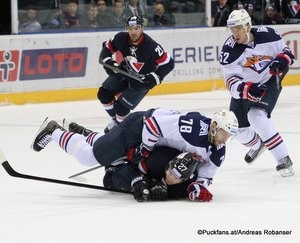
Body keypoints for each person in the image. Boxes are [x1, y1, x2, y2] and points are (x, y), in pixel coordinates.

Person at [31, 108, 238, 202]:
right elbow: (152, 125)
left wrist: (197, 188)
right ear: (213, 126)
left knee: (105, 149)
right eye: (223, 133)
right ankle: (54, 131)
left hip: (155, 142)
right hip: (139, 128)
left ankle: (85, 134)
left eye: (228, 136)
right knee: (91, 157)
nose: (224, 139)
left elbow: (206, 176)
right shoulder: (192, 127)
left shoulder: (218, 150)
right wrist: (144, 150)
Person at [219, 9, 295, 177]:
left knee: (256, 116)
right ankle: (258, 144)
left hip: (269, 82)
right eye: (231, 29)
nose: (234, 33)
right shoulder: (229, 50)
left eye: (238, 28)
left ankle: (283, 159)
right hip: (245, 87)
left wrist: (282, 60)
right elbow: (231, 82)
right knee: (237, 130)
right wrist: (246, 89)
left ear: (248, 25)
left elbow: (287, 52)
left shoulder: (268, 35)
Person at [98, 15, 174, 133]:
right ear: (126, 28)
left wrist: (155, 77)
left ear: (142, 28)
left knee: (121, 108)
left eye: (136, 28)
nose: (133, 32)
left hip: (141, 82)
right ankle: (117, 123)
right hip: (125, 72)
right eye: (130, 28)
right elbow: (106, 49)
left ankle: (120, 128)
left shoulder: (151, 46)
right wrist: (110, 63)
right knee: (103, 94)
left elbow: (169, 63)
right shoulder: (120, 38)